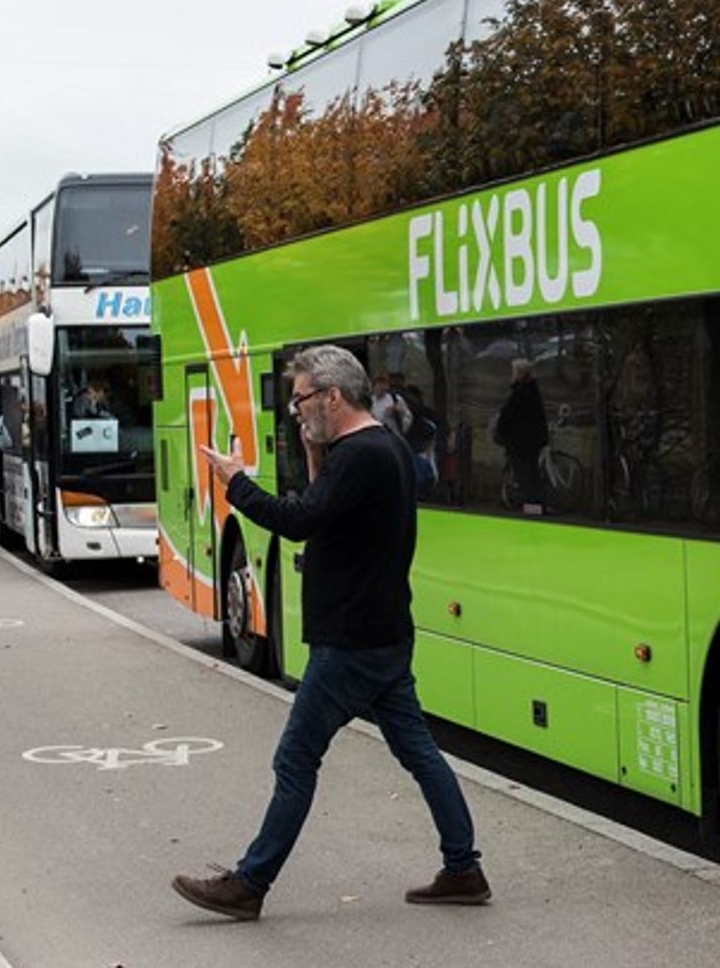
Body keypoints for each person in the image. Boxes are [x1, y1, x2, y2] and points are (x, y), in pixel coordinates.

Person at [171, 343, 486, 921]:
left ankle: (249, 884)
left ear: (333, 395)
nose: (296, 413)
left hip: (349, 641)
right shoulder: (381, 446)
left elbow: (297, 522)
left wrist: (236, 483)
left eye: (301, 401)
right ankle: (463, 867)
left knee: (295, 760)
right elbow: (324, 508)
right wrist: (314, 452)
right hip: (384, 631)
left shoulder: (360, 456)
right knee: (418, 752)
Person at [494, 358, 549, 514]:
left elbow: (508, 416)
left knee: (526, 479)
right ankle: (536, 509)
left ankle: (531, 512)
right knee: (532, 477)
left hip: (521, 444)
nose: (511, 375)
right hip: (531, 443)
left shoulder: (520, 393)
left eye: (514, 372)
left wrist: (500, 431)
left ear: (520, 374)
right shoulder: (532, 391)